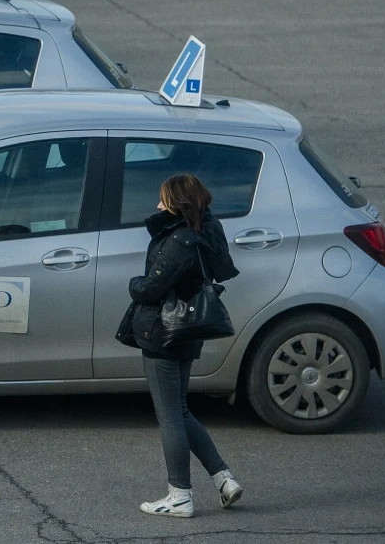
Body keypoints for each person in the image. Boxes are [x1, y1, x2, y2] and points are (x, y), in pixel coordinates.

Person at [116, 173, 243, 518]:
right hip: (189, 331)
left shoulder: (179, 242)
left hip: (164, 335)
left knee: (170, 416)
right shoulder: (207, 232)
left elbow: (149, 290)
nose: (157, 205)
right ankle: (223, 478)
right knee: (181, 410)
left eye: (162, 200)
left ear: (177, 204)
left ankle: (180, 495)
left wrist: (134, 283)